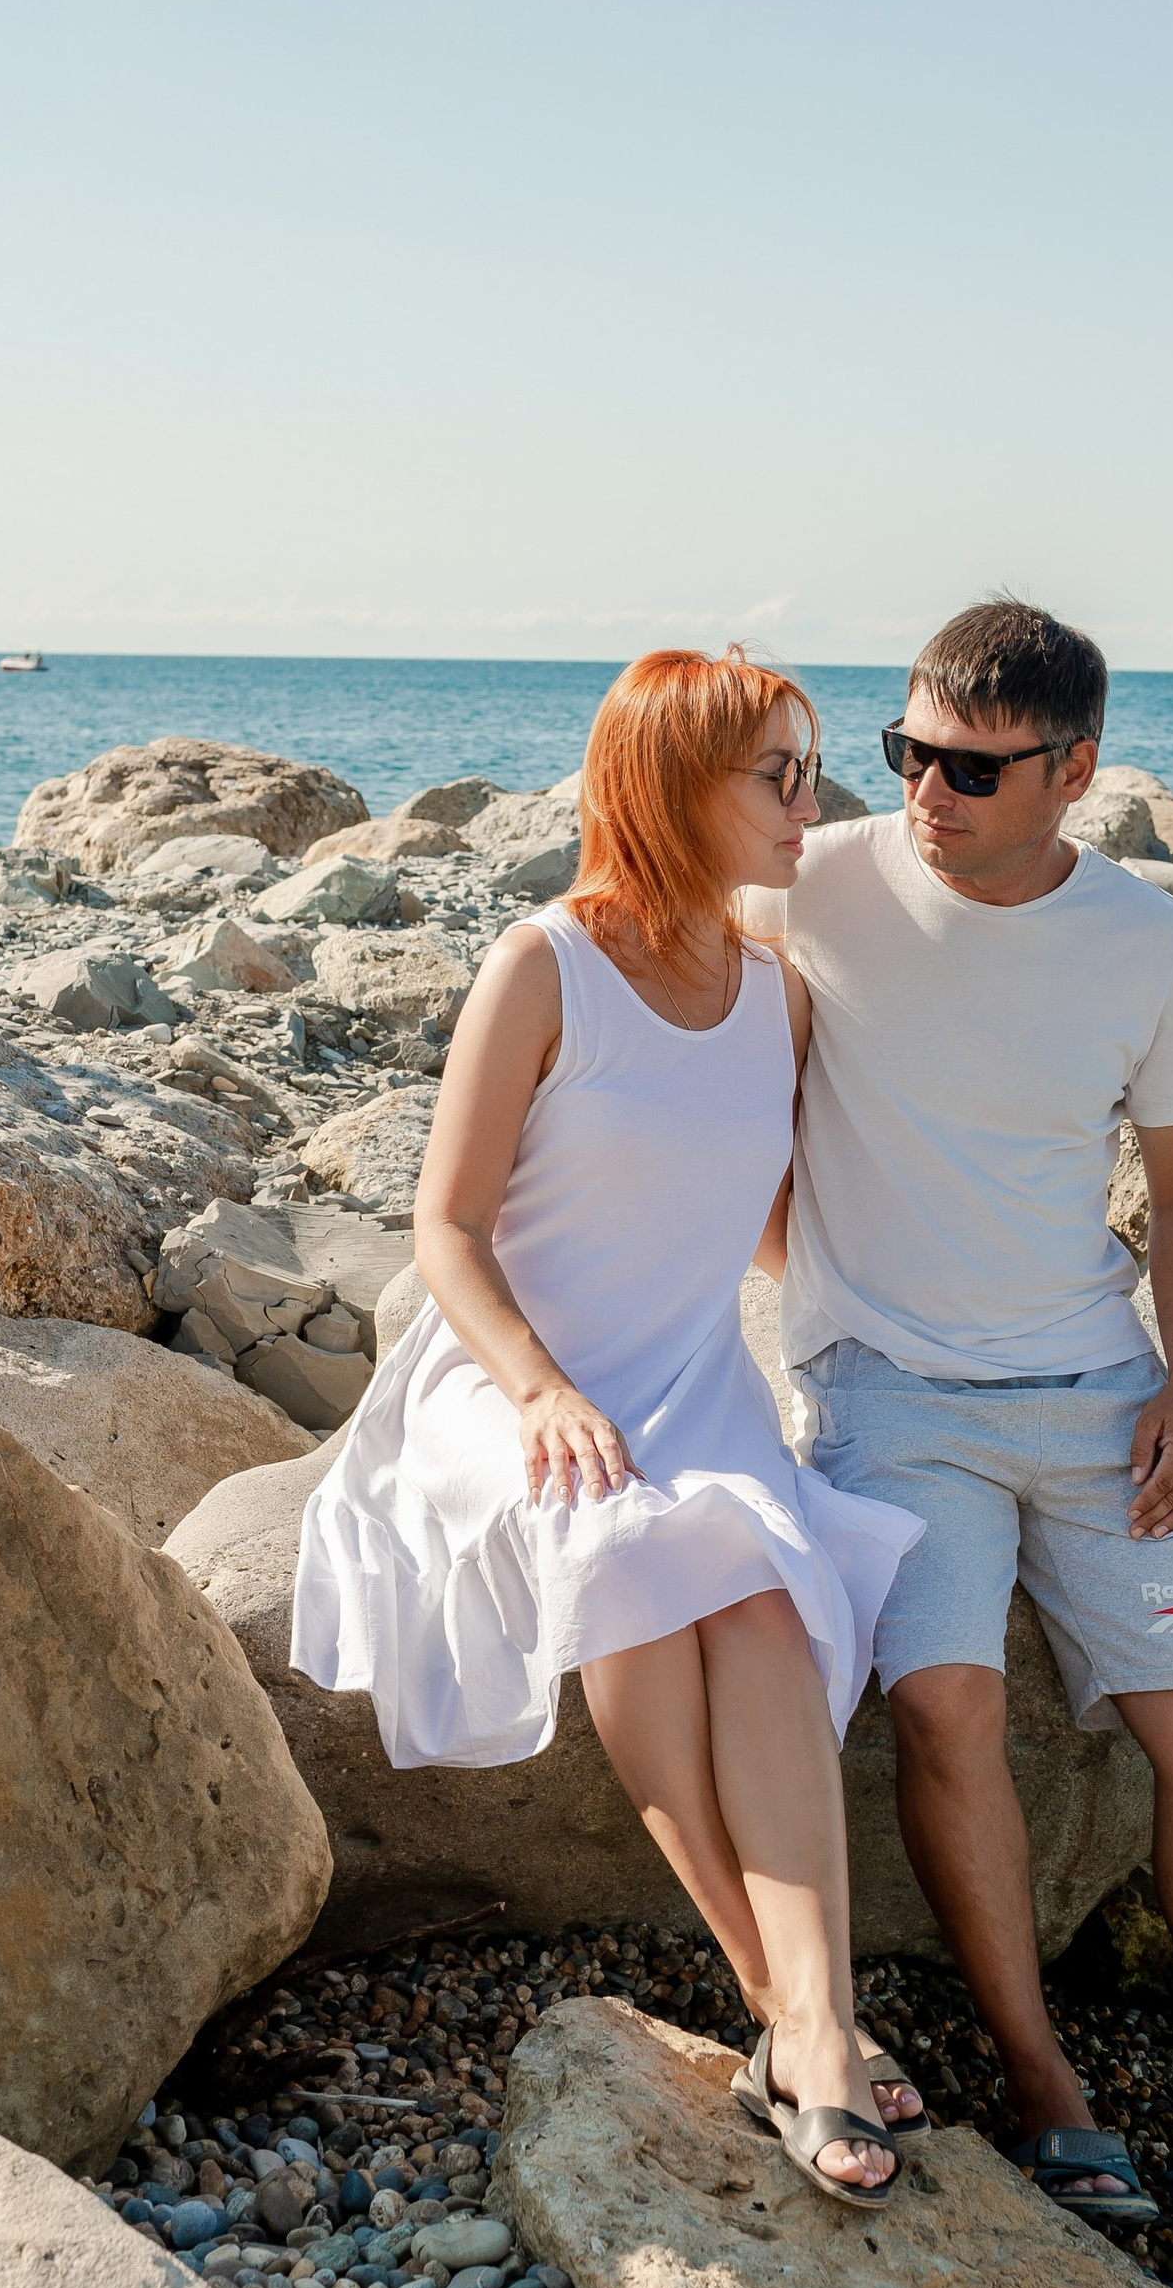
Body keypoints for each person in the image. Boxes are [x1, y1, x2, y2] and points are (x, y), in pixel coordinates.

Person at [751, 595, 1173, 2280]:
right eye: (905, 755)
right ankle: (1048, 2091)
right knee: (947, 1703)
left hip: (1104, 1389)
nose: (925, 794)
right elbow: (646, 963)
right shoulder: (817, 884)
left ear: (1076, 770)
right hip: (885, 1391)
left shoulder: (1144, 944)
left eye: (970, 768)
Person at [291, 648, 923, 2205]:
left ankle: (806, 2026)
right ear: (666, 785)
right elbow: (444, 1228)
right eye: (775, 774)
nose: (810, 805)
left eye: (813, 769)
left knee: (767, 1602)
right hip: (511, 1377)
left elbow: (774, 1231)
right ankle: (803, 2022)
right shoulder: (544, 965)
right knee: (638, 1584)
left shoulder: (777, 989)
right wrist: (542, 1389)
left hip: (691, 1374)